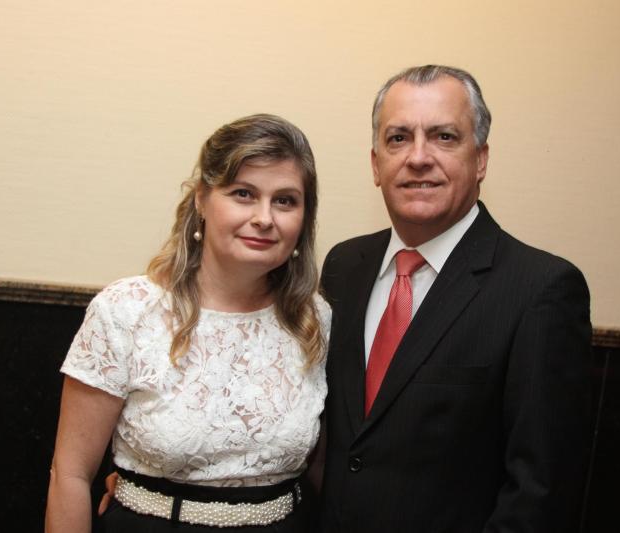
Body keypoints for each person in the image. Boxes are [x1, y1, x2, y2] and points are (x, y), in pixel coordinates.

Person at [318, 65, 592, 532]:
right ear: (376, 164)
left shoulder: (540, 289)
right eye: (398, 138)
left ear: (480, 159)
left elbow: (539, 492)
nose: (418, 157)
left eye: (443, 137)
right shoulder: (344, 266)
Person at [45, 113, 331, 532]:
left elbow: (325, 470)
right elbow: (69, 474)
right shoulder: (126, 311)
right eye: (243, 194)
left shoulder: (314, 319)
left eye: (285, 200)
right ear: (201, 199)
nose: (264, 218)